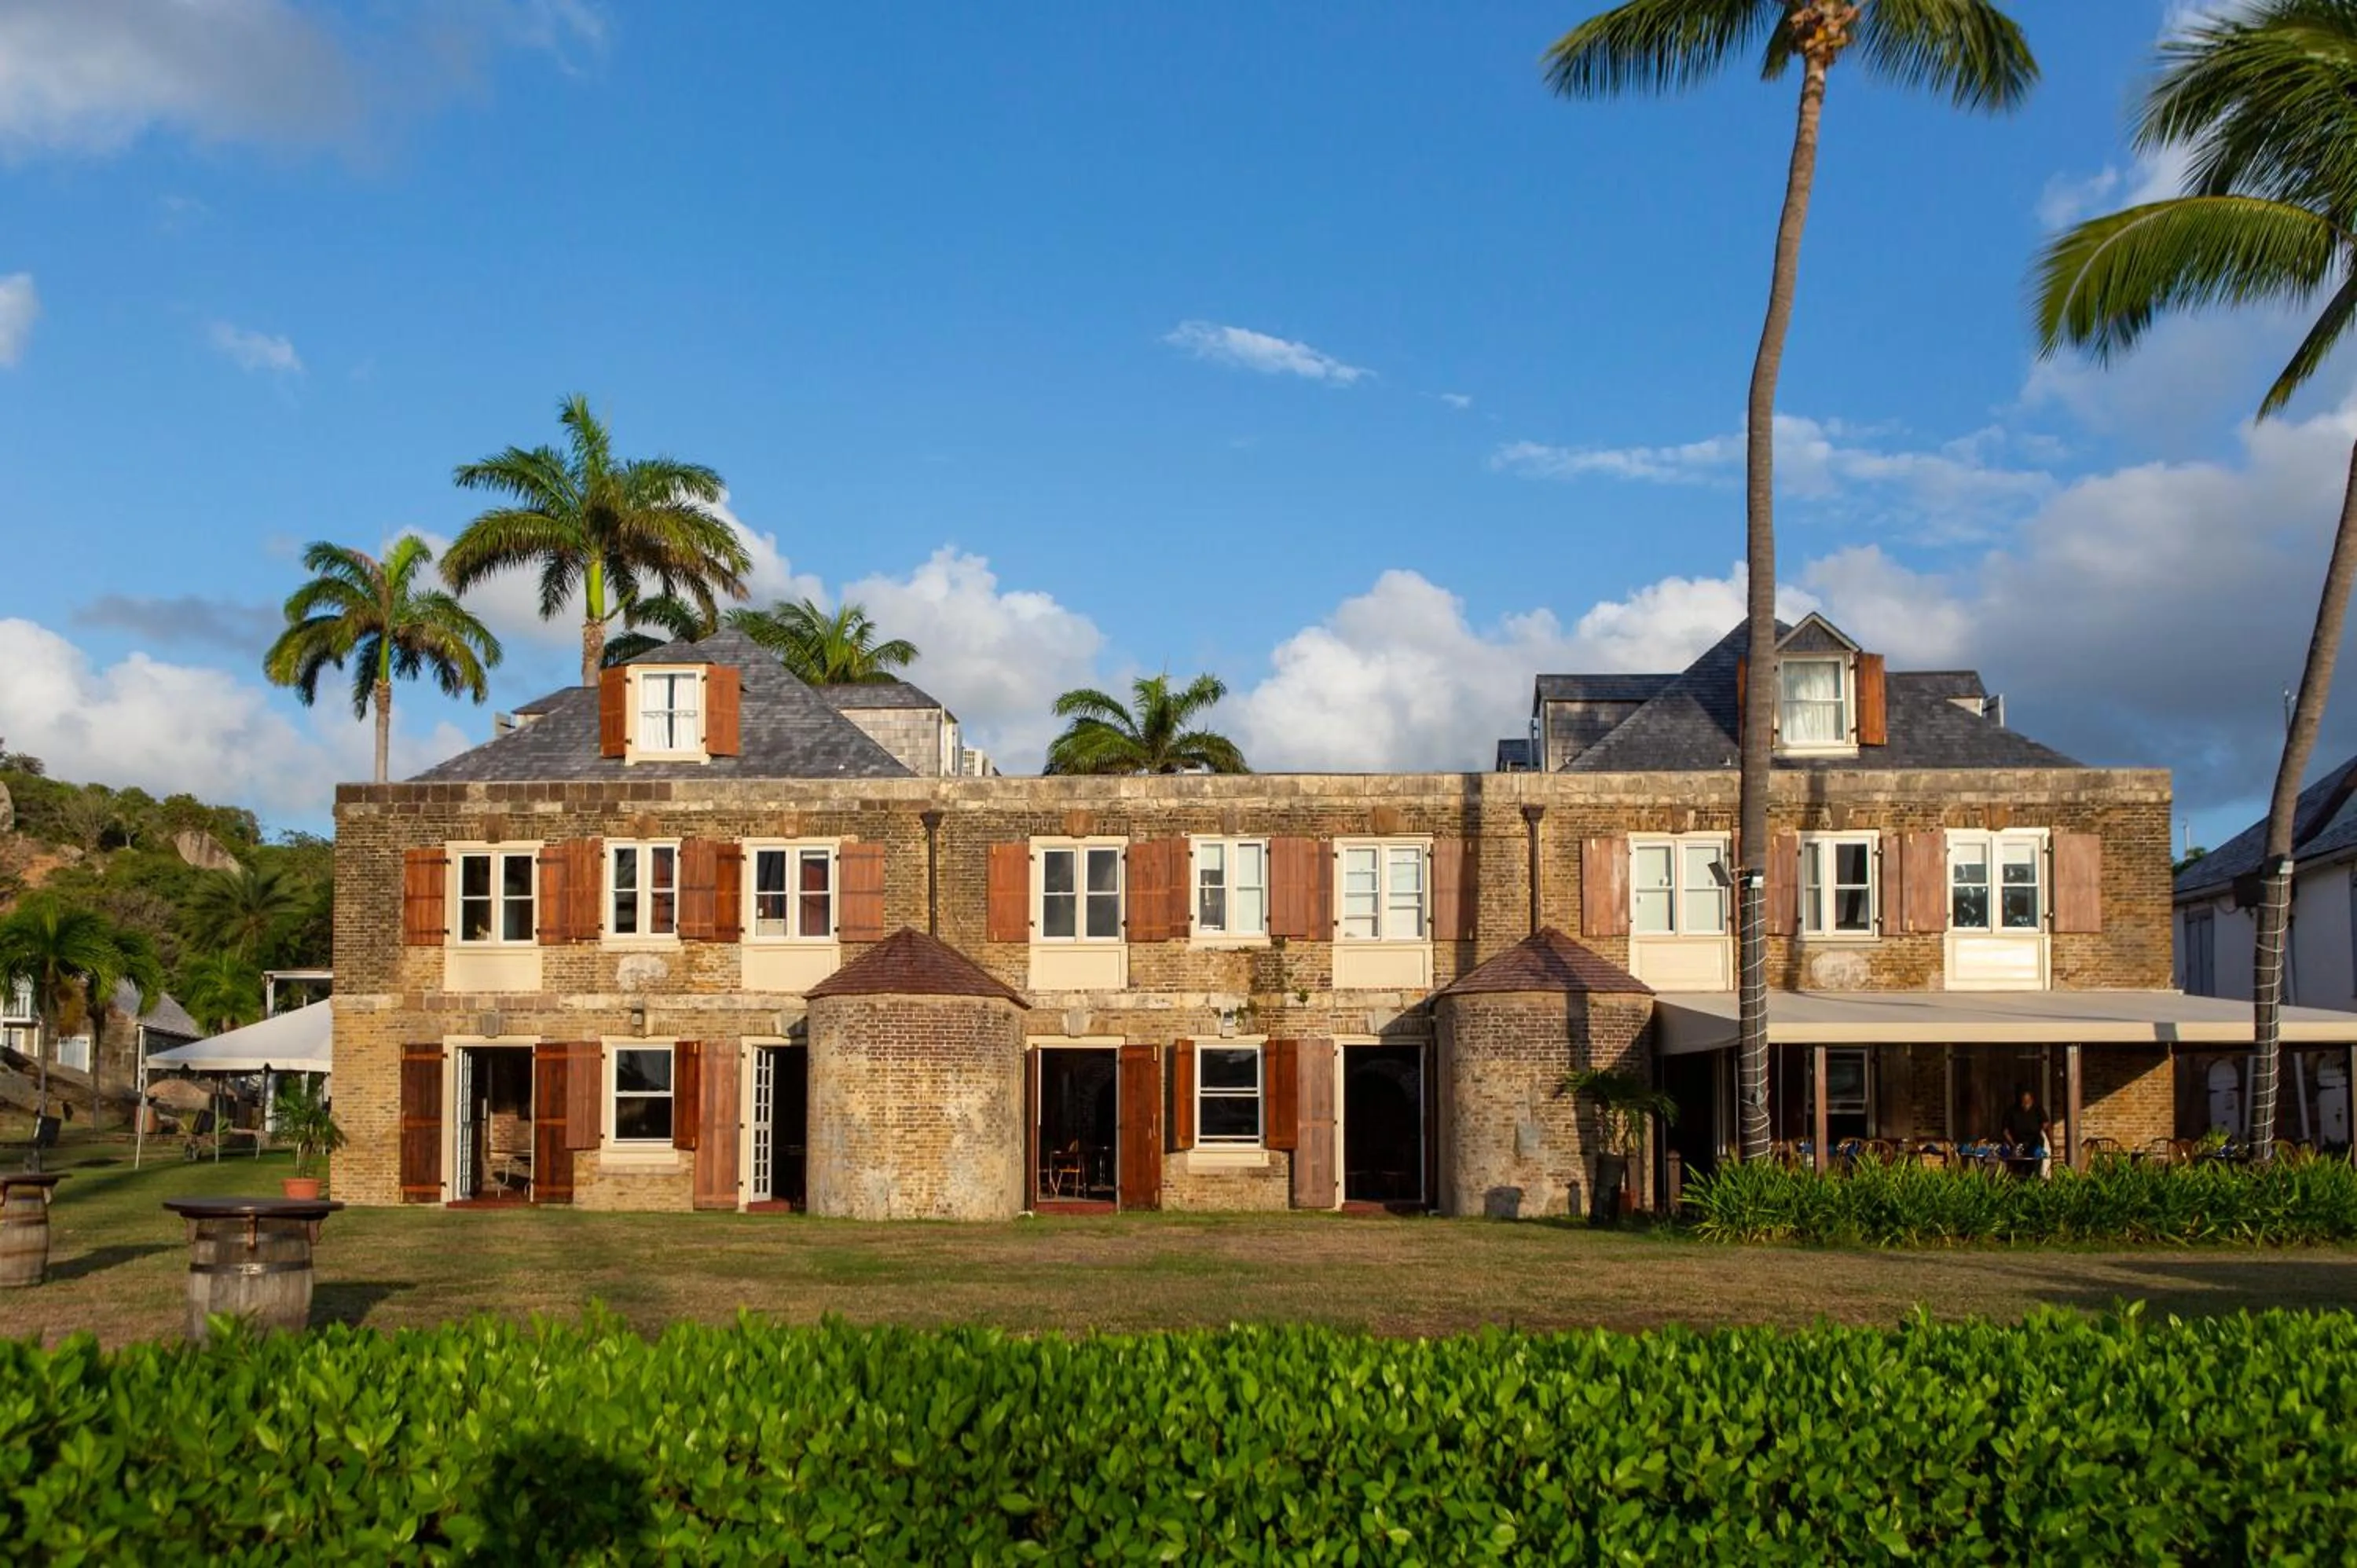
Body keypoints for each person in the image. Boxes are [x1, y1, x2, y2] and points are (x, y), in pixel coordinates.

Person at [1999, 1086, 2051, 1178]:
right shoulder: (2012, 1111)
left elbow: (2047, 1126)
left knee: (2034, 1169)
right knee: (2019, 1171)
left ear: (2032, 1100)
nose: (2026, 1104)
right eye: (2024, 1102)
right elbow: (2005, 1131)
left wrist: (2052, 1144)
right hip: (2017, 1143)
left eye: (2028, 1102)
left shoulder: (2038, 1110)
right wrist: (2013, 1145)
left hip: (2035, 1143)